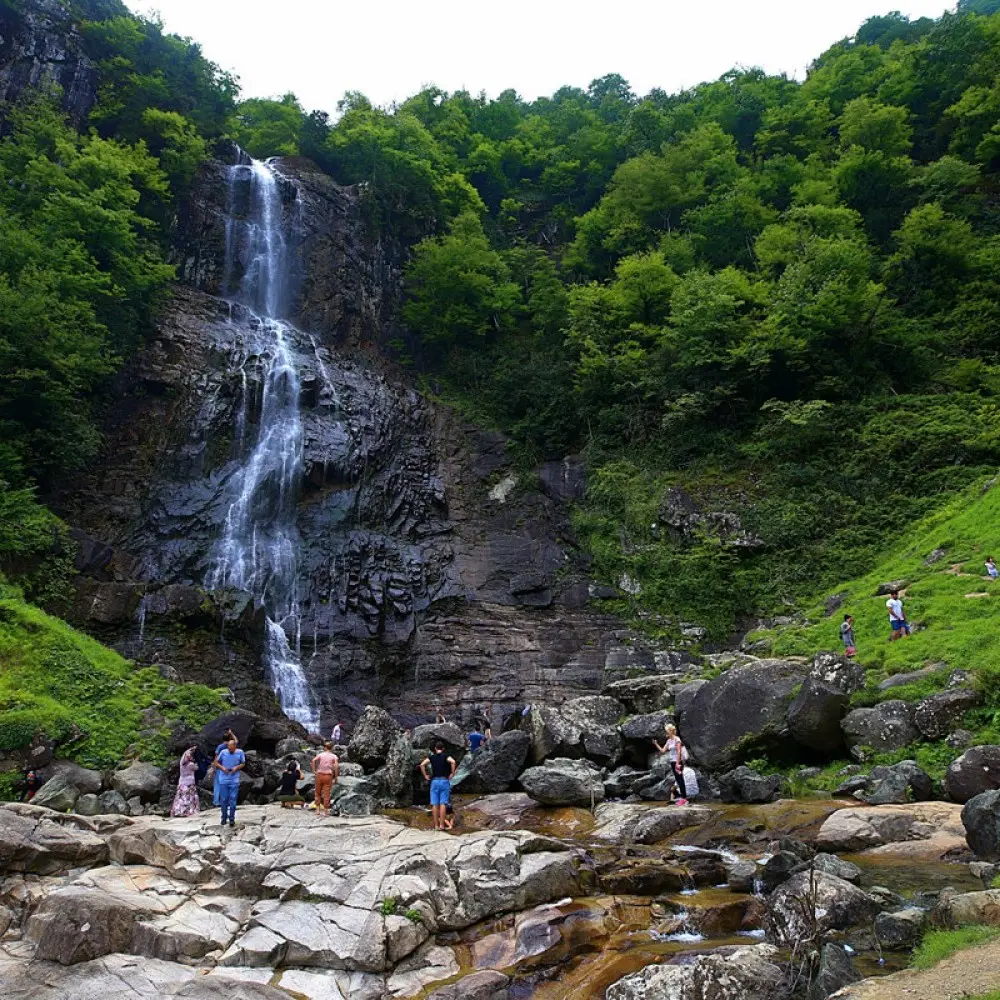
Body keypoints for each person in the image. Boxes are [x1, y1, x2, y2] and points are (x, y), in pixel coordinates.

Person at [421, 741, 457, 831]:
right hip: (444, 781)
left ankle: (436, 825)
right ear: (443, 749)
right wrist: (452, 773)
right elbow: (453, 762)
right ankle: (442, 825)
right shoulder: (446, 756)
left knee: (434, 804)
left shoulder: (432, 757)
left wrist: (425, 775)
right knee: (443, 803)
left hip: (434, 781)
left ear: (435, 749)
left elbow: (422, 765)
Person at [653, 724, 688, 806]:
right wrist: (656, 744)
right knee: (678, 779)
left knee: (680, 779)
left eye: (666, 731)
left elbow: (679, 751)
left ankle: (684, 799)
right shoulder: (669, 741)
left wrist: (677, 763)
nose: (665, 733)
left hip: (678, 762)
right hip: (672, 762)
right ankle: (682, 798)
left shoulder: (677, 739)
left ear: (671, 731)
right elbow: (663, 751)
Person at [214, 737, 245, 827]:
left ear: (235, 747)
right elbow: (216, 762)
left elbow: (243, 763)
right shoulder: (223, 752)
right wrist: (222, 768)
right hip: (223, 780)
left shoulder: (240, 752)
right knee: (223, 799)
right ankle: (224, 818)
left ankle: (232, 819)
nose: (230, 750)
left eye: (231, 749)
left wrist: (237, 767)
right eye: (228, 748)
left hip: (234, 779)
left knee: (233, 799)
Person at [311, 741, 339, 817]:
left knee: (318, 792)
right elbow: (336, 767)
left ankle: (317, 810)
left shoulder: (320, 755)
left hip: (319, 774)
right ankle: (326, 811)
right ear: (331, 748)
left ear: (325, 747)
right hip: (328, 776)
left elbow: (313, 760)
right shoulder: (334, 756)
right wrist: (336, 777)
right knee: (327, 794)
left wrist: (314, 771)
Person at [170, 747, 200, 818]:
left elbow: (185, 754)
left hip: (182, 783)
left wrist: (191, 748)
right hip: (190, 783)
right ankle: (189, 811)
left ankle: (178, 811)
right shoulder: (191, 764)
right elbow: (197, 768)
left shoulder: (181, 763)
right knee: (190, 798)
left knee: (180, 798)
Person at [212, 729, 237, 806]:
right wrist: (231, 733)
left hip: (220, 768)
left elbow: (216, 758)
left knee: (217, 785)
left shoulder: (220, 747)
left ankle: (216, 801)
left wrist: (214, 768)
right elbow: (236, 740)